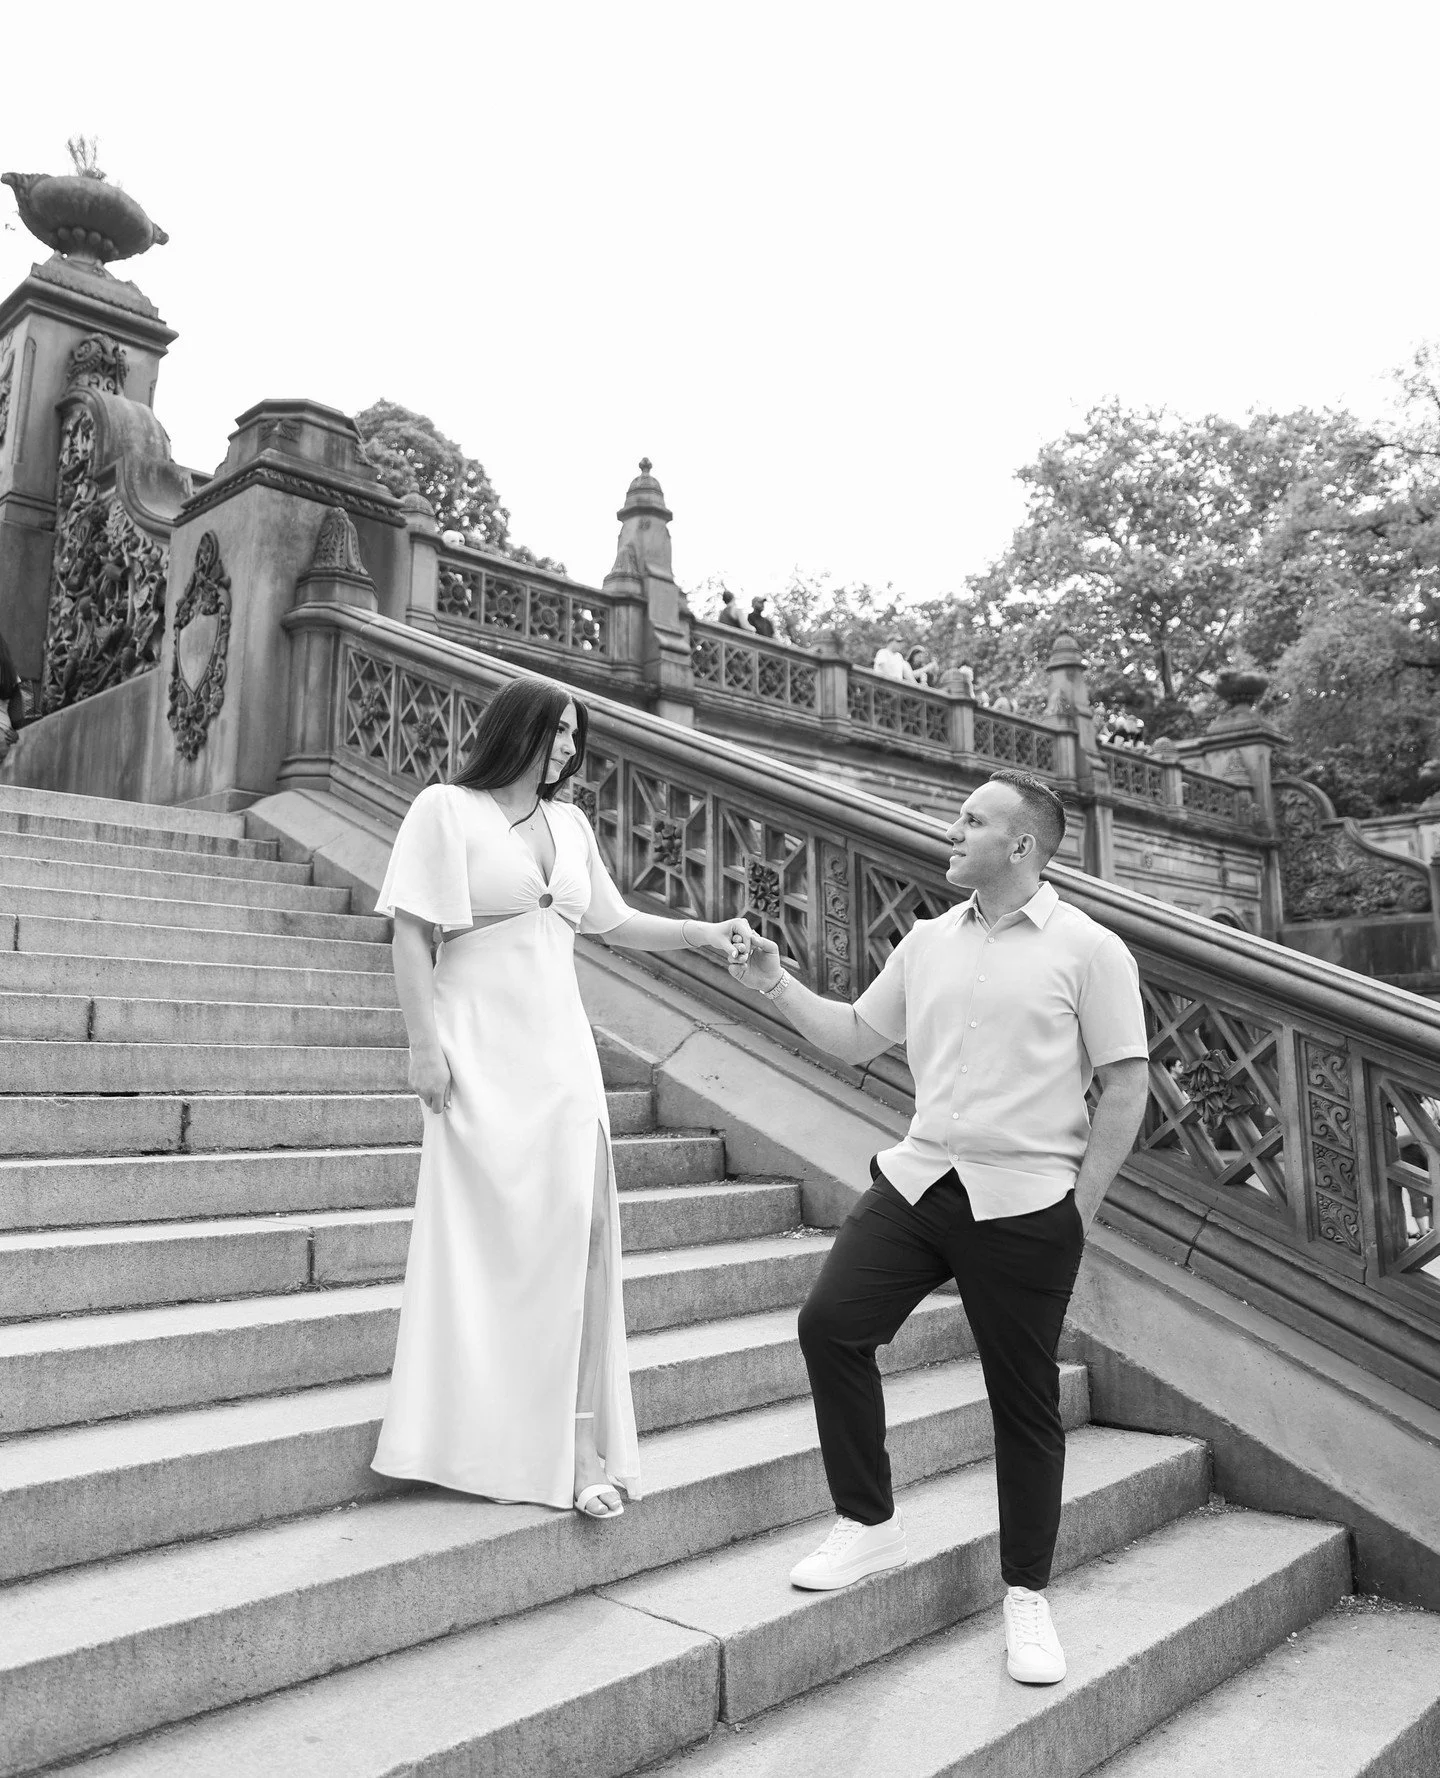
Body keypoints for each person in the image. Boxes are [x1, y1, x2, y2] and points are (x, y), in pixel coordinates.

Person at [728, 770, 1150, 1684]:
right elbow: (850, 1036)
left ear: (1023, 846)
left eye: (972, 821)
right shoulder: (924, 942)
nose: (950, 830)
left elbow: (1126, 1084)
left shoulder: (1090, 950)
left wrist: (1078, 1212)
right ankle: (868, 1520)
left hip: (1029, 1197)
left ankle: (1027, 1596)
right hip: (921, 1180)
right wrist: (774, 984)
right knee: (830, 1324)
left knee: (1023, 1399)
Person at [372, 676, 753, 1519]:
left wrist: (703, 930)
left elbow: (610, 921)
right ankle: (470, 1432)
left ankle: (579, 1443)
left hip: (560, 1051)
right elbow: (411, 930)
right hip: (476, 1045)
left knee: (583, 1233)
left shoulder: (572, 824)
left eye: (579, 736)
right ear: (520, 731)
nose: (571, 750)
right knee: (488, 1241)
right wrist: (422, 1047)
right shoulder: (445, 810)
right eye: (560, 733)